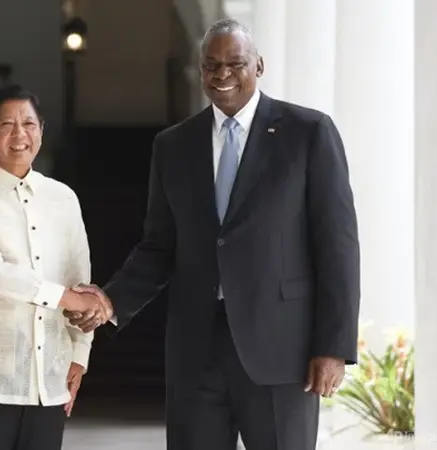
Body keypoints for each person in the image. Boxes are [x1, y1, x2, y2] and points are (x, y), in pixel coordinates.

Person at [68, 19, 361, 450]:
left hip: (282, 353)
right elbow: (160, 246)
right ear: (200, 69)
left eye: (235, 64)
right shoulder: (173, 146)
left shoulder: (308, 133)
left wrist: (333, 347)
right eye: (211, 65)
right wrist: (111, 301)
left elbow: (337, 246)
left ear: (258, 65)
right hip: (196, 351)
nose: (222, 75)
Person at [0, 85, 108, 450]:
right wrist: (64, 298)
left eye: (29, 124)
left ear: (41, 132)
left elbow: (81, 283)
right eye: (7, 125)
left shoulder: (63, 198)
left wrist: (80, 354)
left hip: (48, 379)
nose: (20, 134)